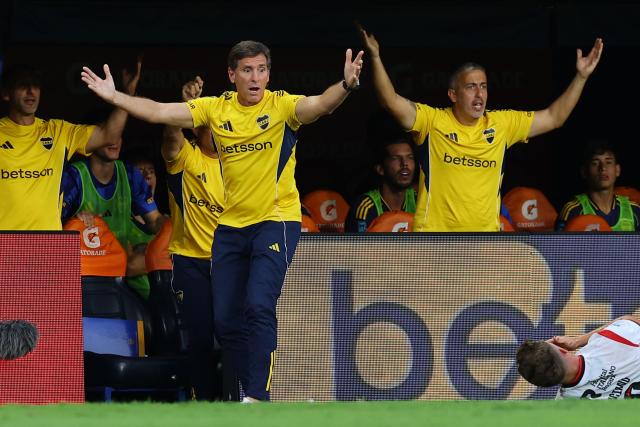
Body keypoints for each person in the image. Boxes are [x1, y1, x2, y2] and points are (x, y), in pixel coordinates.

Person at [80, 40, 364, 402]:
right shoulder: (215, 109)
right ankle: (231, 399)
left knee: (259, 305)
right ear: (232, 75)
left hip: (275, 221)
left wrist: (345, 86)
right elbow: (159, 112)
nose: (255, 77)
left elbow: (320, 105)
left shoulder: (282, 106)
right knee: (225, 323)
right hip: (230, 229)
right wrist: (116, 96)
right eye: (247, 70)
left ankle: (257, 397)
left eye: (261, 69)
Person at [358, 24, 604, 232]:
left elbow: (554, 117)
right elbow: (390, 100)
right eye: (471, 87)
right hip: (434, 241)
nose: (480, 94)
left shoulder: (502, 124)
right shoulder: (431, 122)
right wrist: (376, 57)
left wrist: (581, 77)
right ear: (453, 94)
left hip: (484, 243)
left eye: (484, 86)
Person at [62, 60, 165, 299]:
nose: (114, 139)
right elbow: (54, 229)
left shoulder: (129, 174)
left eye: (119, 134)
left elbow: (154, 221)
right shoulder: (74, 177)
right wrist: (74, 222)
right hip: (85, 280)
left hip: (125, 278)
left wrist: (173, 236)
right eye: (107, 132)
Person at [0, 63, 137, 230]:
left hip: (49, 242)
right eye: (22, 85)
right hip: (4, 240)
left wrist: (126, 95)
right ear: (6, 94)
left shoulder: (58, 131)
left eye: (35, 85)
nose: (31, 91)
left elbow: (109, 136)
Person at [162, 76, 225, 401]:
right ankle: (204, 404)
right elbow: (172, 138)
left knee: (235, 338)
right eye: (210, 125)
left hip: (230, 266)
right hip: (192, 264)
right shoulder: (187, 159)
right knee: (200, 340)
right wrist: (184, 104)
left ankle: (237, 401)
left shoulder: (242, 167)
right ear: (197, 128)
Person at [516, 315, 640, 399]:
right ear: (562, 350)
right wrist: (578, 341)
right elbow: (628, 320)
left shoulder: (564, 409)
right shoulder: (609, 339)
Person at [345, 114, 416, 232]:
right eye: (395, 158)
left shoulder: (419, 201)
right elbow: (357, 250)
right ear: (380, 169)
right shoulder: (366, 207)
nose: (405, 164)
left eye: (410, 157)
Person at [555, 141, 640, 231]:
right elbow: (559, 244)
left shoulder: (634, 210)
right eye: (595, 163)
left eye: (608, 162)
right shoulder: (573, 210)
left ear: (617, 170)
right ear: (584, 172)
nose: (603, 168)